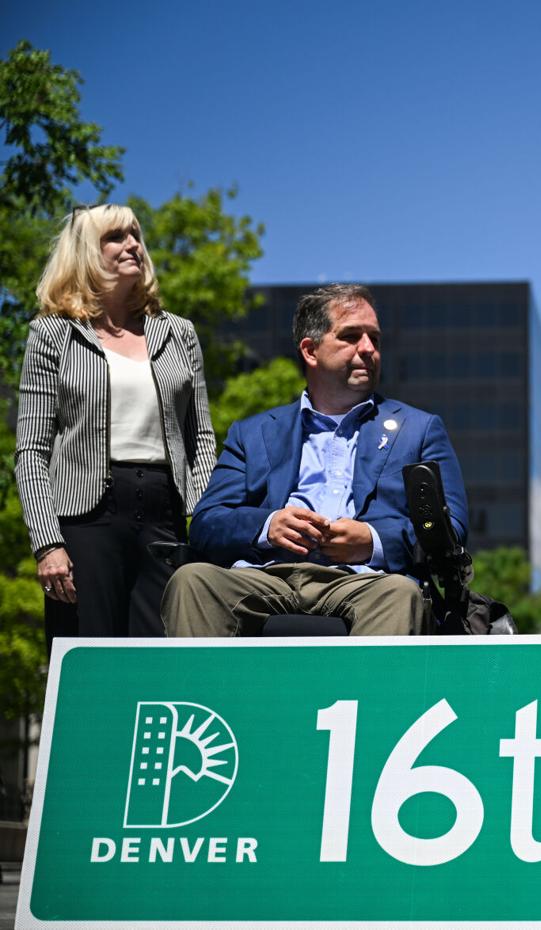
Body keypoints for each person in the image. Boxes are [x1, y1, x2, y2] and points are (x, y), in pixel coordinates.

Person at [161, 284, 467, 636]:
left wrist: (372, 540)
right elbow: (206, 524)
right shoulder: (253, 432)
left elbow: (452, 531)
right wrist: (268, 526)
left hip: (368, 583)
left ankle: (367, 695)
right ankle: (202, 694)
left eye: (375, 339)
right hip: (262, 576)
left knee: (400, 593)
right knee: (191, 581)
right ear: (310, 351)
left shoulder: (419, 429)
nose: (368, 349)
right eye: (351, 336)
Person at [17, 204, 216, 643]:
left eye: (135, 235)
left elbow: (201, 437)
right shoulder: (52, 333)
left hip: (165, 514)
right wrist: (48, 542)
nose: (133, 245)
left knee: (161, 656)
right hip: (85, 516)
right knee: (89, 655)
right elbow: (31, 451)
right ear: (87, 251)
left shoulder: (178, 332)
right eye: (116, 237)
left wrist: (203, 521)